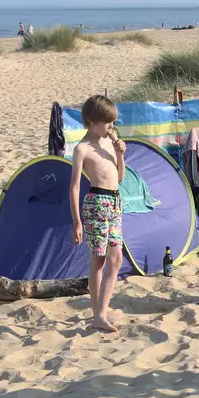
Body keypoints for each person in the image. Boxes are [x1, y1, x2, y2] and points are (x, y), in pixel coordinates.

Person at [70, 94, 127, 334]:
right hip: (96, 203)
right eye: (106, 123)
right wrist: (77, 222)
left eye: (112, 123)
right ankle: (98, 315)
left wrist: (120, 153)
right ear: (91, 122)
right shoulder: (82, 148)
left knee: (116, 259)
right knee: (99, 259)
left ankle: (101, 311)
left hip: (115, 202)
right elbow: (73, 187)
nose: (110, 127)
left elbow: (120, 178)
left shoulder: (107, 144)